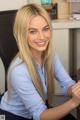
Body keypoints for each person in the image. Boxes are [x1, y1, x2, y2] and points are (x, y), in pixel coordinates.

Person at [0, 3, 80, 120]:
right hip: (13, 115)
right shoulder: (19, 71)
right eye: (33, 31)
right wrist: (74, 102)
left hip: (38, 108)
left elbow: (67, 83)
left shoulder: (50, 55)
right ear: (22, 34)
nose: (42, 37)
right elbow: (40, 115)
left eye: (45, 29)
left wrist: (76, 90)